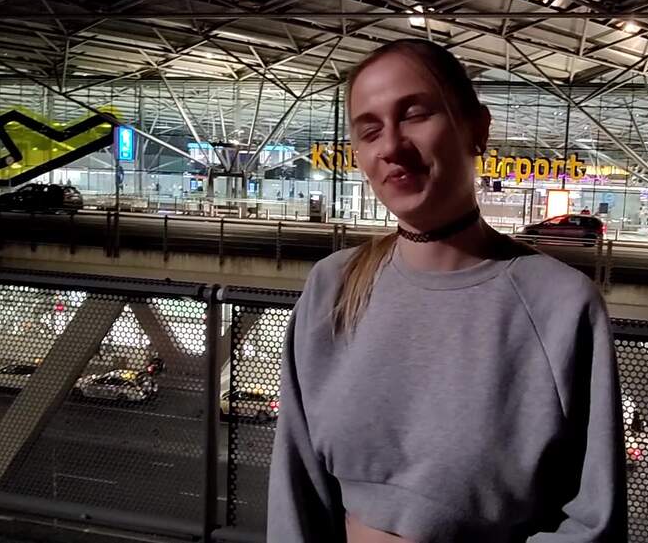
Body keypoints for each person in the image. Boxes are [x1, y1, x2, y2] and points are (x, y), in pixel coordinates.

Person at [267, 39, 626, 543]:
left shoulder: (561, 306)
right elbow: (297, 489)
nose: (391, 146)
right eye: (369, 130)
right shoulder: (333, 287)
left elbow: (594, 523)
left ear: (477, 128)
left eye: (414, 115)